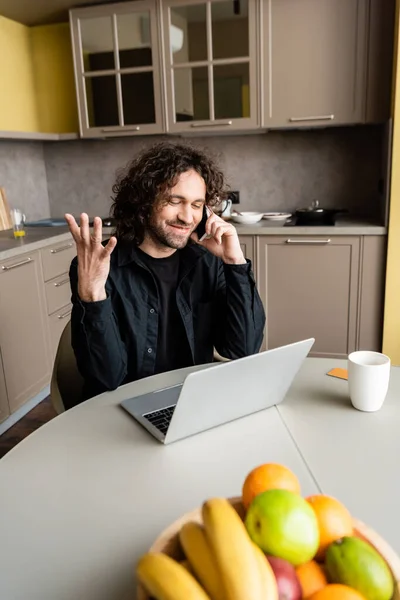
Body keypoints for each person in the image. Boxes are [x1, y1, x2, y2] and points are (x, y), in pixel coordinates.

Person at [65, 142, 265, 405]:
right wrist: (92, 296)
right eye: (174, 201)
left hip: (192, 402)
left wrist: (235, 261)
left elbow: (243, 349)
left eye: (197, 205)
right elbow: (106, 380)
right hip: (123, 407)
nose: (186, 217)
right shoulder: (101, 266)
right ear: (144, 201)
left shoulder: (209, 263)